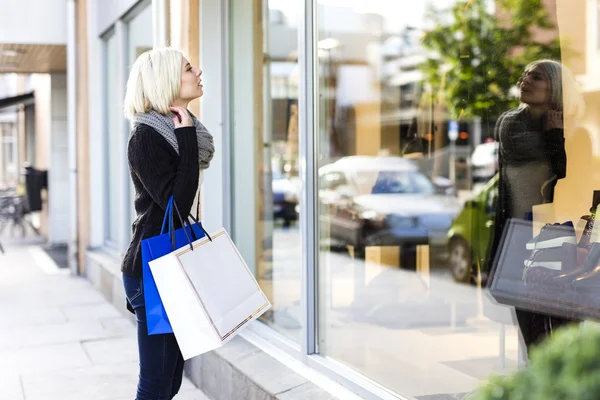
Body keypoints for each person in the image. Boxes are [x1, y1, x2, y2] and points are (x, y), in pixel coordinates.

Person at [121, 47, 214, 399]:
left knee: (171, 381)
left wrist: (187, 131)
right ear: (166, 81)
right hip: (152, 269)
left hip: (171, 262)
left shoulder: (172, 131)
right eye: (189, 68)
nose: (198, 72)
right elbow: (178, 201)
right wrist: (187, 133)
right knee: (156, 386)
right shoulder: (145, 138)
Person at [490, 59, 582, 356]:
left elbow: (571, 184)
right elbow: (504, 193)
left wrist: (556, 137)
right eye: (525, 74)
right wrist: (495, 253)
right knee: (531, 337)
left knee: (563, 338)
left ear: (555, 88)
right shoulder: (509, 126)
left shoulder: (576, 132)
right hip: (518, 237)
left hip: (560, 240)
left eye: (536, 77)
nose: (524, 80)